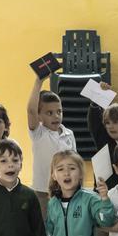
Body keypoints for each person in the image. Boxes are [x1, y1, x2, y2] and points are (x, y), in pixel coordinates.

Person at [44, 149, 117, 236]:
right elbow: (49, 233)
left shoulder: (90, 199)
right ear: (53, 175)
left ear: (81, 173)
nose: (66, 173)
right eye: (60, 169)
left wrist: (104, 199)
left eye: (72, 168)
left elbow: (106, 221)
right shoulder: (52, 203)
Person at [27, 75, 76, 214]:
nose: (56, 116)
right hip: (43, 191)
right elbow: (30, 110)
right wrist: (39, 81)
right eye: (49, 113)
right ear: (39, 116)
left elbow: (75, 162)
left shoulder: (69, 134)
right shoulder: (39, 133)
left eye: (59, 111)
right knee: (44, 227)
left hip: (65, 189)